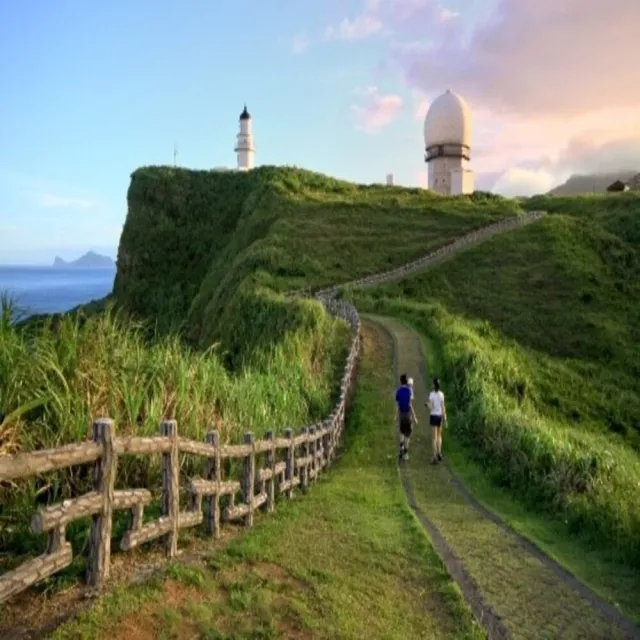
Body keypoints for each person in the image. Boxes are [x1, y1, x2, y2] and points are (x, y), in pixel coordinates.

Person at [395, 374, 417, 462]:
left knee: (401, 431)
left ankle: (401, 446)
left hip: (401, 414)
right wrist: (414, 416)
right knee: (407, 434)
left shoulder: (398, 391)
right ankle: (406, 453)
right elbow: (410, 404)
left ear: (401, 381)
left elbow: (397, 404)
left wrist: (396, 415)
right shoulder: (409, 391)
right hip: (408, 414)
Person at [426, 378, 446, 464]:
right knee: (439, 436)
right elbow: (443, 406)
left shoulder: (431, 395)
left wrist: (426, 405)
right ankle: (439, 452)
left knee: (434, 437)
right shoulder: (442, 394)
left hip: (433, 416)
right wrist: (445, 417)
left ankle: (434, 456)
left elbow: (430, 407)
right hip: (440, 416)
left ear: (434, 385)